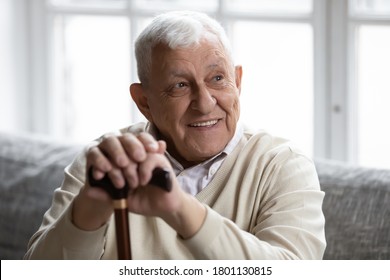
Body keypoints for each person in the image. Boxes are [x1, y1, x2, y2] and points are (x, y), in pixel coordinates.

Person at [24, 10, 326, 260]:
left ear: (238, 81)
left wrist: (179, 208)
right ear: (144, 102)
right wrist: (91, 207)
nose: (205, 102)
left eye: (218, 78)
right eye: (180, 85)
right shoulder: (108, 159)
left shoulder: (282, 165)